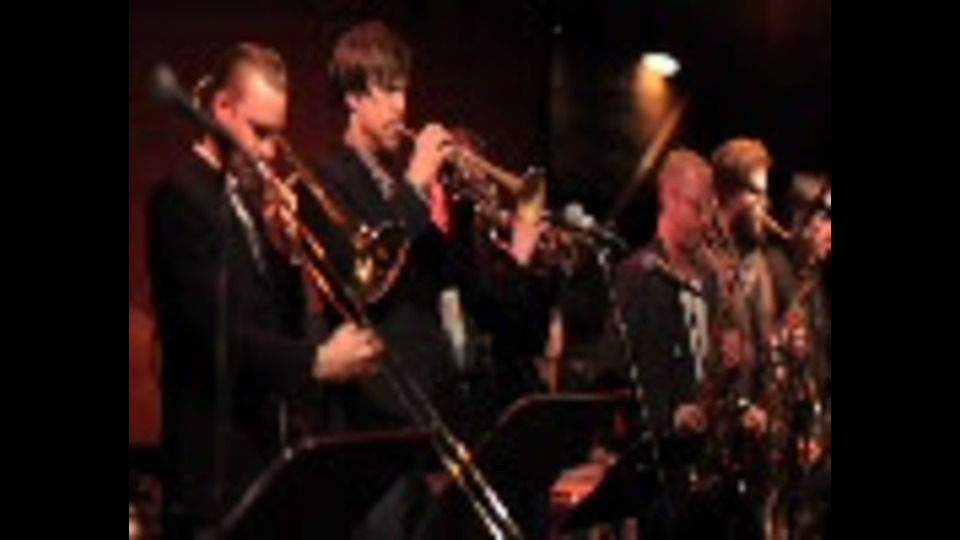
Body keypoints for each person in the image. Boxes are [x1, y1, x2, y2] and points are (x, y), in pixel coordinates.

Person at [297, 19, 558, 539]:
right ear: (353, 97)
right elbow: (360, 281)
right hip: (372, 420)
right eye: (387, 91)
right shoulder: (324, 178)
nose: (401, 107)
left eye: (403, 90)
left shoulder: (400, 188)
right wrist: (416, 186)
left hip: (426, 422)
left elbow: (464, 292)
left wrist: (490, 230)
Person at [145, 42, 384, 538]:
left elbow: (277, 322)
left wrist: (288, 255)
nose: (270, 152)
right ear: (221, 108)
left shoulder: (240, 203)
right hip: (212, 476)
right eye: (260, 132)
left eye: (277, 135)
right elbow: (212, 335)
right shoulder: (181, 197)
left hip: (260, 461)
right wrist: (317, 362)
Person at [764, 172, 832, 540]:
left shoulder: (814, 279)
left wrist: (818, 428)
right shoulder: (772, 269)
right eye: (827, 219)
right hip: (775, 444)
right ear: (805, 222)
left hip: (808, 438)